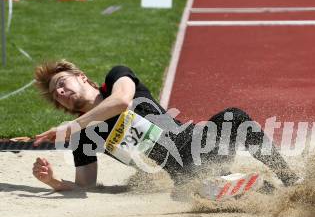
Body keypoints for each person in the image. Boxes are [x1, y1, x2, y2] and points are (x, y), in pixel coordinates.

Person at [32, 60, 299, 196]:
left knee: (234, 117)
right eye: (57, 94)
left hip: (196, 142)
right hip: (182, 176)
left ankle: (290, 180)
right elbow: (86, 186)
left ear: (82, 78)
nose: (61, 91)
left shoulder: (117, 77)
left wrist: (74, 124)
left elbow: (121, 101)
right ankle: (267, 193)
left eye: (63, 82)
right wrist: (53, 182)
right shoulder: (83, 138)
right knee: (231, 189)